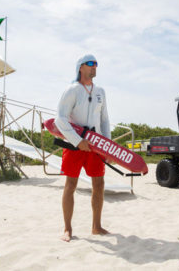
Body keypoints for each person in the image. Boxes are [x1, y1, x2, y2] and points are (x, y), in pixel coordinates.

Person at [55, 54, 111, 242]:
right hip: (75, 145)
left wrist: (108, 147)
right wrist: (77, 141)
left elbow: (104, 121)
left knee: (99, 184)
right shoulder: (72, 90)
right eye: (90, 64)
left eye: (96, 64)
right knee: (71, 185)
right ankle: (67, 229)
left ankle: (96, 226)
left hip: (96, 145)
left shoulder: (100, 92)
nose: (94, 67)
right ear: (81, 67)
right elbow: (60, 119)